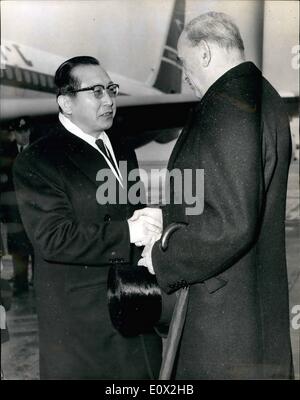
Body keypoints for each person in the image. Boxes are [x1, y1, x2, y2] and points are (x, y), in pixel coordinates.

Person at [134, 12, 294, 379]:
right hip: (253, 315)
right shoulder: (263, 96)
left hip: (222, 323)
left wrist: (162, 255)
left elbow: (231, 222)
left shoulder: (226, 104)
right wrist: (171, 214)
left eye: (185, 63)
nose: (186, 76)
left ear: (204, 52)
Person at [13, 56, 162, 380]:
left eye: (110, 89)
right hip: (82, 327)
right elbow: (53, 239)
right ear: (66, 102)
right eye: (96, 91)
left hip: (132, 309)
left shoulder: (121, 149)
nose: (109, 100)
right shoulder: (39, 161)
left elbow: (131, 210)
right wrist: (128, 232)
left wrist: (150, 231)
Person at [0, 117, 34, 296]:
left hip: (37, 212)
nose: (24, 135)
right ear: (14, 133)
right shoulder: (6, 154)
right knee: (18, 250)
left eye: (26, 131)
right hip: (15, 213)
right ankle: (20, 286)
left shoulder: (39, 152)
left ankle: (38, 284)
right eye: (20, 132)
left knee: (38, 249)